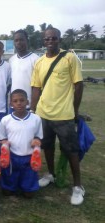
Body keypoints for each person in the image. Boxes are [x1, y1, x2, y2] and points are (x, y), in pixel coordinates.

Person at [31, 27, 84, 205]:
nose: (50, 41)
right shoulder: (39, 62)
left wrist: (74, 110)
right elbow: (36, 88)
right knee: (47, 146)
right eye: (47, 39)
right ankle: (51, 174)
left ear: (59, 40)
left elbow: (78, 85)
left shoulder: (70, 58)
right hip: (43, 113)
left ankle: (78, 186)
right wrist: (32, 110)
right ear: (43, 41)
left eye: (54, 38)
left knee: (71, 150)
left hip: (64, 115)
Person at [0, 89, 43, 198]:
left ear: (27, 102)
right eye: (15, 101)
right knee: (7, 192)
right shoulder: (6, 120)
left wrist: (36, 140)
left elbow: (39, 136)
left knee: (29, 194)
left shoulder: (36, 119)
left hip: (29, 157)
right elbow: (1, 137)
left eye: (22, 100)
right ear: (11, 103)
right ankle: (11, 184)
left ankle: (27, 183)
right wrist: (5, 143)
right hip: (12, 157)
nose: (19, 103)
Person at [9, 30, 39, 111]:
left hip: (28, 105)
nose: (19, 42)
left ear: (27, 41)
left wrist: (33, 107)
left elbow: (38, 86)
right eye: (16, 40)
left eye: (21, 40)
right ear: (14, 43)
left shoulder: (36, 59)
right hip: (13, 105)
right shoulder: (12, 60)